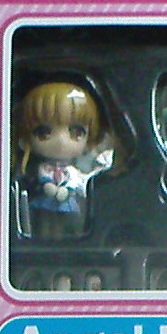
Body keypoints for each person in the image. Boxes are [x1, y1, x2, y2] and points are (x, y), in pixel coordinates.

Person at [14, 80, 115, 240]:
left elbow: (77, 181)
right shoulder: (41, 169)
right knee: (45, 224)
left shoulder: (74, 170)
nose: (61, 141)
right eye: (44, 132)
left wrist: (68, 188)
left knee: (69, 225)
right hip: (44, 200)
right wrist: (47, 185)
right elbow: (39, 179)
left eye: (76, 132)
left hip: (69, 202)